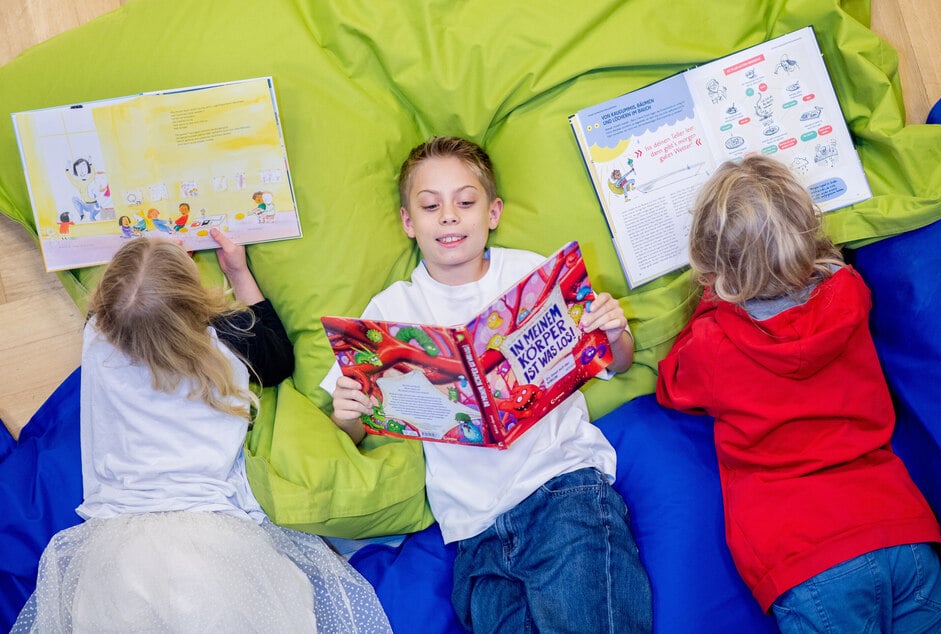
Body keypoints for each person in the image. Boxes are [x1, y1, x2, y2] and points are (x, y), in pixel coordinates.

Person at [323, 136, 652, 633]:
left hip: (562, 490)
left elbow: (618, 363)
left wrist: (614, 331)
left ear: (493, 212)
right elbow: (350, 431)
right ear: (408, 222)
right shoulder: (390, 312)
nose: (449, 216)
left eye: (466, 201)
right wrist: (346, 414)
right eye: (431, 205)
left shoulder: (530, 275)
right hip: (472, 533)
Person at [13, 230, 392, 633]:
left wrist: (154, 268)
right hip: (213, 536)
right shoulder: (227, 338)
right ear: (198, 302)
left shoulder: (96, 335)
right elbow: (279, 355)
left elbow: (131, 300)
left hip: (117, 549)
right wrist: (237, 271)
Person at [656, 155, 941, 631]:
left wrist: (710, 305)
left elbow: (671, 386)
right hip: (901, 528)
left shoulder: (713, 346)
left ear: (713, 268)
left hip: (806, 559)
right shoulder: (851, 292)